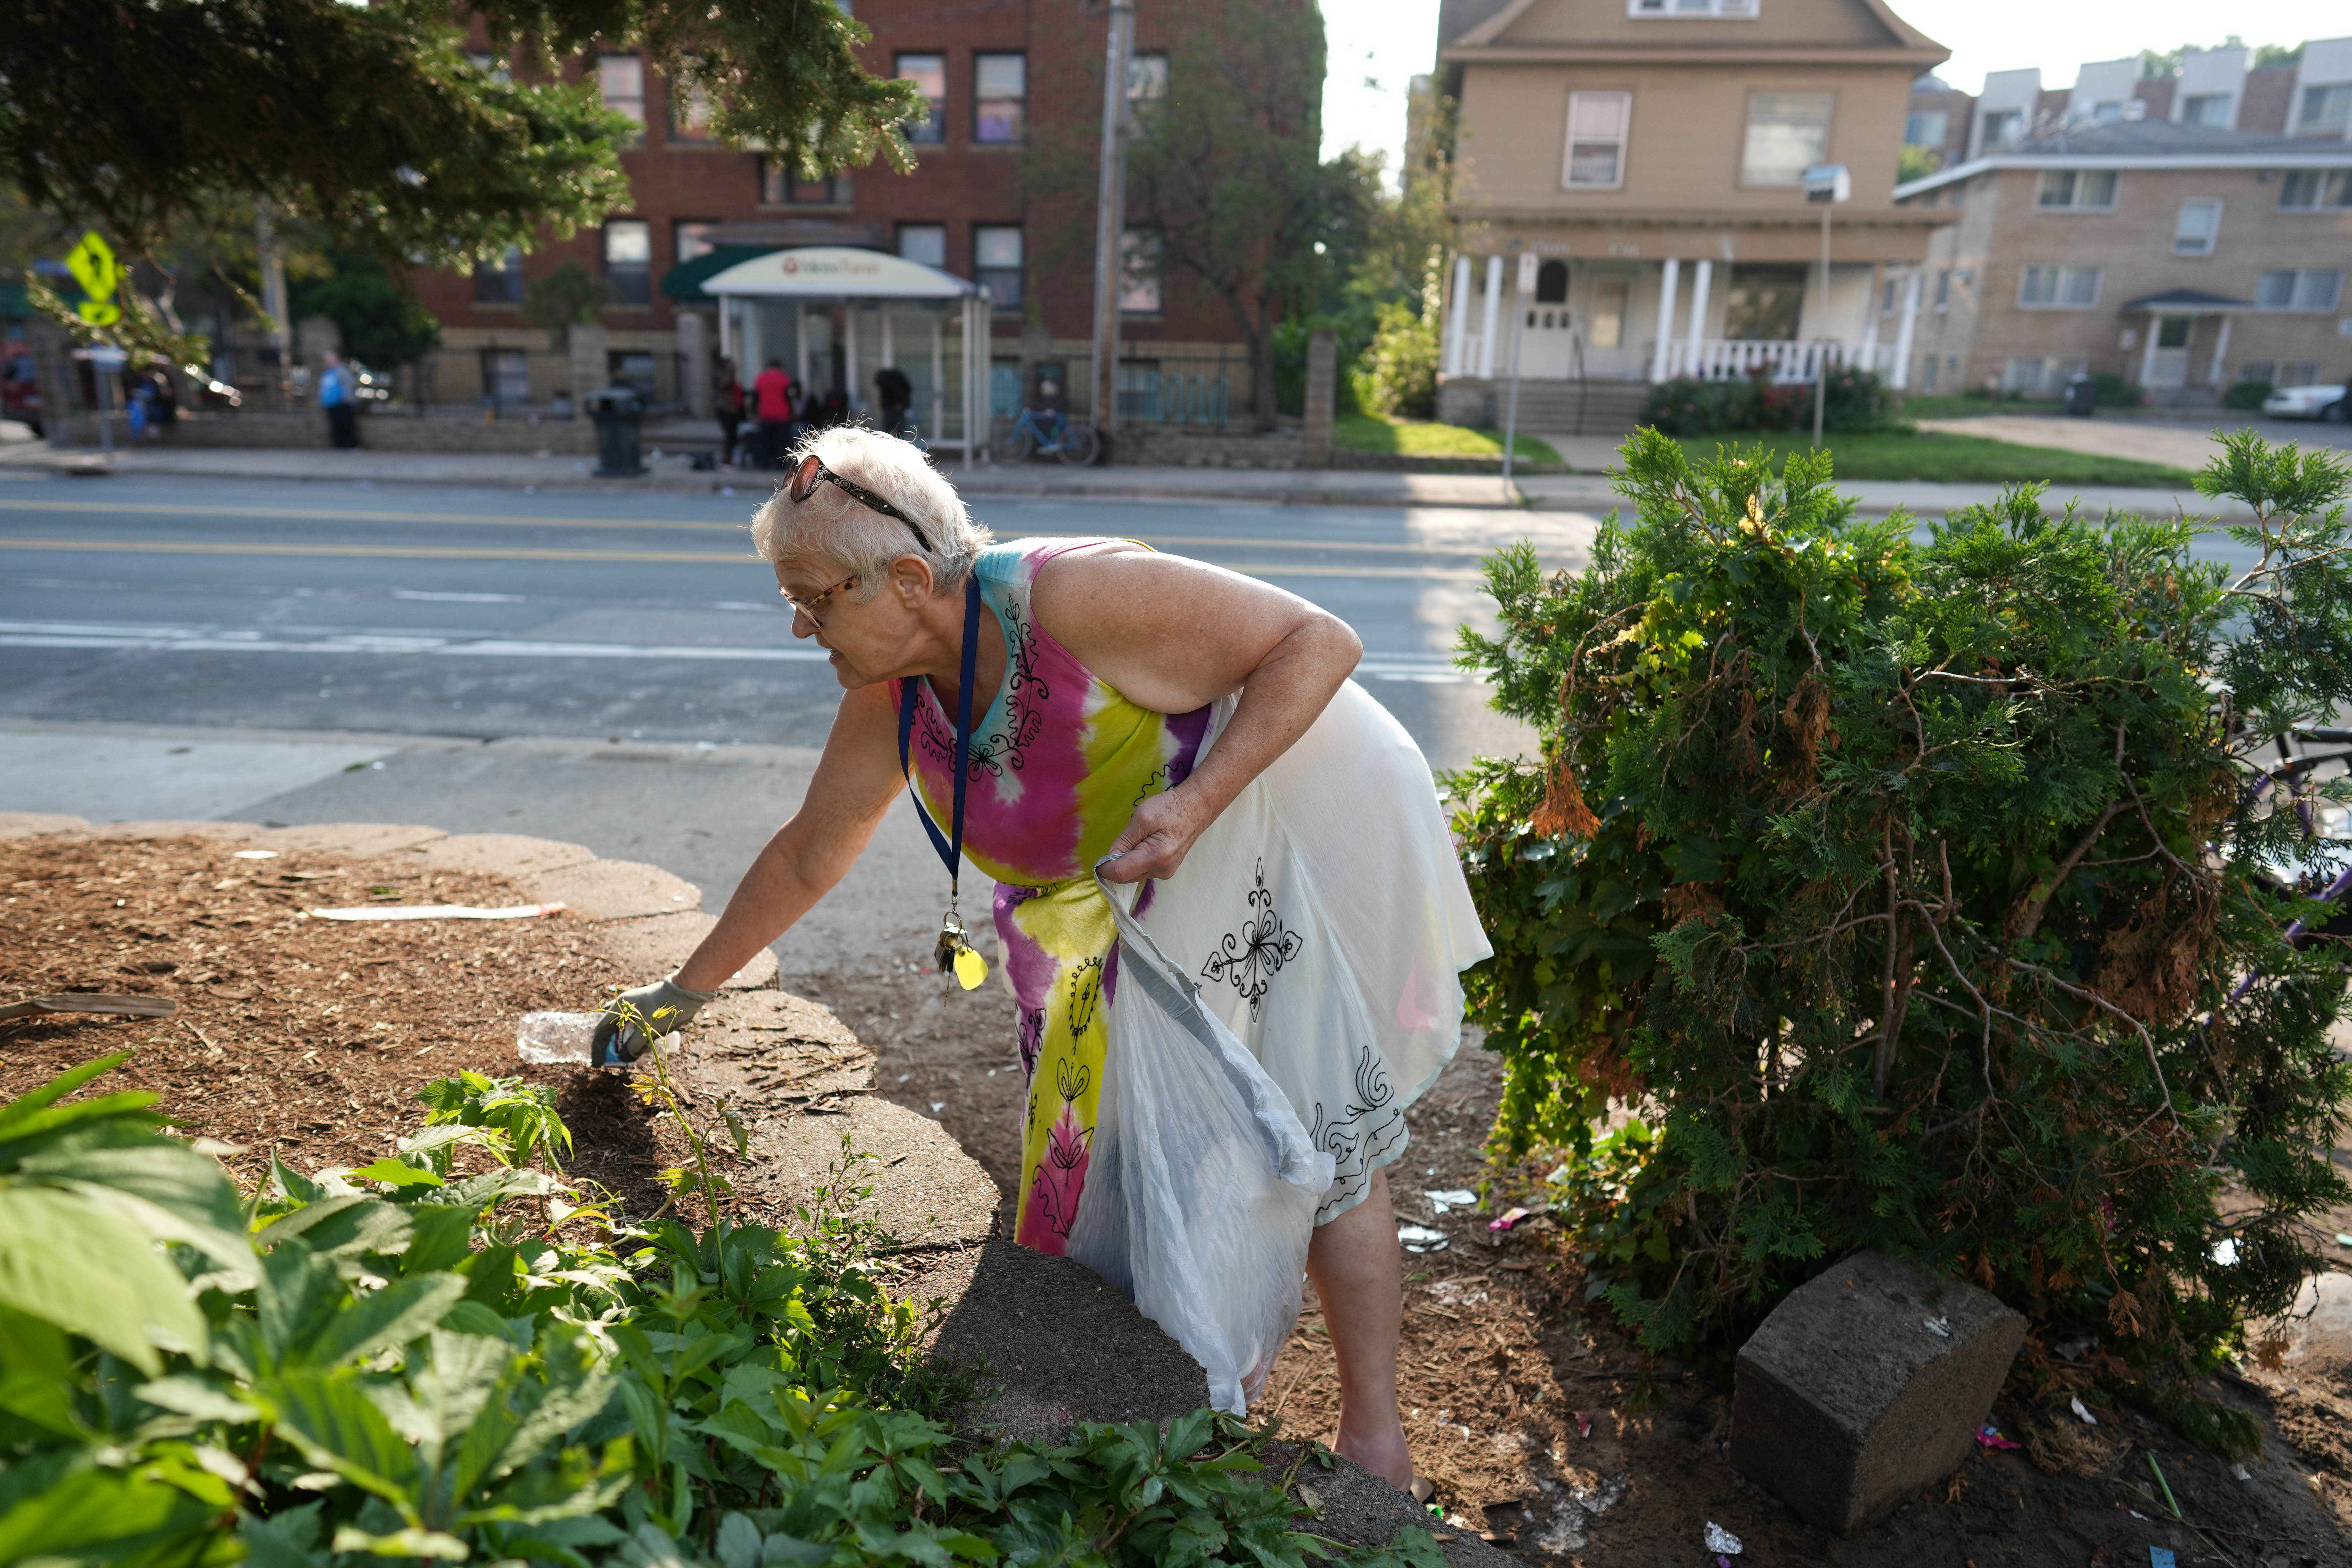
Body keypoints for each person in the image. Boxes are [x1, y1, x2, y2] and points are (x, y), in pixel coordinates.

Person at [591, 427, 1489, 1493]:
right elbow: (809, 850)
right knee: (1103, 1181)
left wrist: (1197, 800)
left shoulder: (1073, 600)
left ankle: (1371, 1441)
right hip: (1082, 953)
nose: (798, 625)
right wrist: (681, 995)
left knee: (1319, 1152)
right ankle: (1166, 1431)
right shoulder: (894, 684)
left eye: (814, 596)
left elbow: (1317, 640)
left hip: (1231, 889)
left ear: (911, 577)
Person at [750, 358, 796, 470]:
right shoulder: (784, 378)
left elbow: (756, 398)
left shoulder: (760, 378)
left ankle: (764, 464)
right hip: (782, 415)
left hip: (765, 415)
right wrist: (792, 412)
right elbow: (789, 397)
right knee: (781, 441)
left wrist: (755, 412)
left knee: (766, 441)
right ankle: (779, 464)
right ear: (780, 367)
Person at [318, 351, 358, 449]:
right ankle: (338, 444)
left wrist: (347, 399)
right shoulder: (327, 372)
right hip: (331, 403)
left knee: (347, 424)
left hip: (344, 402)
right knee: (335, 425)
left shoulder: (342, 371)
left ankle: (352, 445)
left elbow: (349, 385)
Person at [715, 359, 746, 468]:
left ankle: (730, 458)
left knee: (733, 436)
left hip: (734, 411)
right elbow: (725, 386)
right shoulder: (724, 378)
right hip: (727, 411)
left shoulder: (732, 380)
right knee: (730, 436)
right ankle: (726, 459)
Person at [874, 364, 912, 438]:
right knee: (887, 431)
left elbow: (905, 392)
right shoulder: (886, 383)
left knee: (898, 430)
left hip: (899, 408)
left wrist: (902, 405)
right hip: (891, 408)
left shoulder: (892, 381)